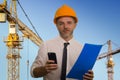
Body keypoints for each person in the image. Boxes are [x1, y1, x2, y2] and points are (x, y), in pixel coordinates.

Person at [30, 4, 94, 80]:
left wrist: (89, 78)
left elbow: (84, 75)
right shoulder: (46, 45)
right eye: (61, 23)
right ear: (56, 25)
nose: (65, 27)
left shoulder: (82, 49)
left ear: (75, 25)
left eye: (69, 23)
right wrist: (44, 69)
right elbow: (33, 72)